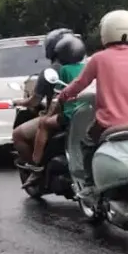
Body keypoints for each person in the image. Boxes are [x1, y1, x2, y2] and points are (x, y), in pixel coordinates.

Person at [58, 10, 128, 171]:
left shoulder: (99, 58)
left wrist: (64, 96)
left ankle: (89, 181)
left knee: (87, 142)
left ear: (106, 31)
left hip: (108, 124)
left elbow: (80, 83)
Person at [27, 32, 88, 177]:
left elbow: (59, 98)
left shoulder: (63, 69)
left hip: (71, 115)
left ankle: (36, 163)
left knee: (43, 124)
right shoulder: (87, 67)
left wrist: (48, 115)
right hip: (89, 111)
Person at [12, 29, 75, 166]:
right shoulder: (85, 66)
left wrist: (18, 102)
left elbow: (35, 101)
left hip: (61, 116)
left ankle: (35, 166)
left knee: (18, 135)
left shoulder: (50, 71)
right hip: (83, 114)